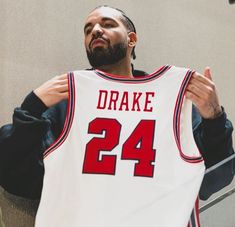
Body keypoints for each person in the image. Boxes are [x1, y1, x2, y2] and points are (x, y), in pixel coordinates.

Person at [0, 5, 234, 227]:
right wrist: (31, 108)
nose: (96, 31)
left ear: (132, 39)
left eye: (107, 24)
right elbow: (17, 178)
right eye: (88, 29)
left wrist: (214, 119)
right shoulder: (66, 100)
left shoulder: (172, 100)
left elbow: (215, 179)